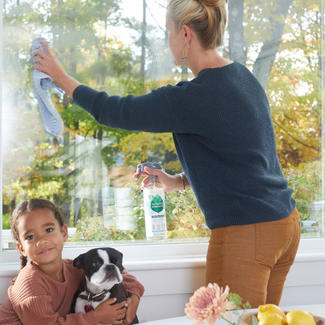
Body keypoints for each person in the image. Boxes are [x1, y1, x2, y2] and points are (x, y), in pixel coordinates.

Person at [32, 0, 300, 308]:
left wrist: (60, 77)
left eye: (168, 31)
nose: (166, 40)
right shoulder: (242, 77)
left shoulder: (192, 97)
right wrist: (180, 181)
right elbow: (249, 156)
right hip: (284, 225)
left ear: (186, 34)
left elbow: (113, 110)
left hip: (247, 232)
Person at [0, 198, 144, 325]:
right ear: (21, 248)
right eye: (30, 237)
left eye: (48, 230)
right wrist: (96, 317)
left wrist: (135, 298)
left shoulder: (73, 268)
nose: (41, 240)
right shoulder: (30, 285)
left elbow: (122, 274)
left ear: (64, 233)